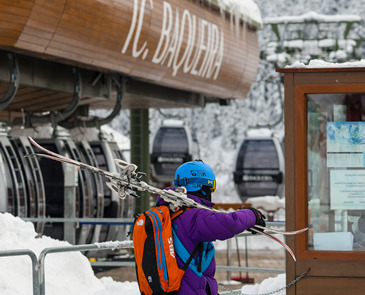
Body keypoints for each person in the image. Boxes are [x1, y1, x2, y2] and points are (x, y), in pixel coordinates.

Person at [156, 160, 266, 295]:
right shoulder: (193, 216)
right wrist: (252, 215)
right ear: (200, 186)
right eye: (211, 186)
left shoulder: (168, 211)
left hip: (173, 288)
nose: (211, 191)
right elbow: (229, 224)